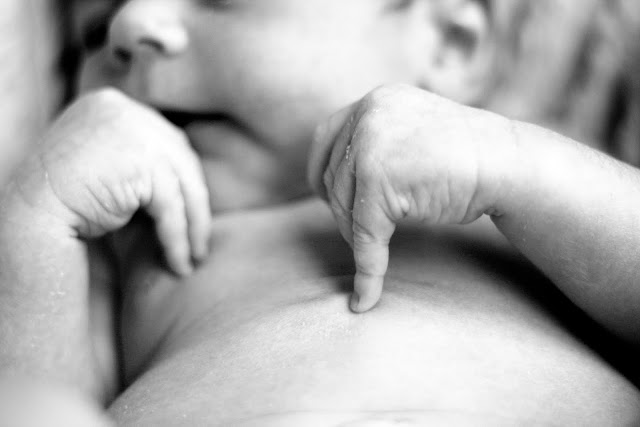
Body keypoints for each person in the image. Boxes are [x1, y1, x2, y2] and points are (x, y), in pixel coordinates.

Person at [1, 0, 640, 425]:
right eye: (93, 30)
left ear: (448, 42)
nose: (129, 23)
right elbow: (42, 393)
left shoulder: (533, 171)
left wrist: (513, 162)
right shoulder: (119, 245)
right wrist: (38, 220)